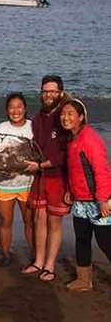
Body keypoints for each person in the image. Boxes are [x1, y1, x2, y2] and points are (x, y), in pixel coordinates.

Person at [22, 75, 70, 282]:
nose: (48, 95)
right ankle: (38, 261)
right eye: (45, 91)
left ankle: (50, 266)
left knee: (54, 223)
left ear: (60, 92)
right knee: (38, 219)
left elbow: (65, 153)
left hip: (58, 176)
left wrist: (41, 165)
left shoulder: (65, 115)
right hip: (40, 176)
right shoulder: (38, 117)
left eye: (52, 91)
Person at [60, 99, 111, 291]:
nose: (65, 117)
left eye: (71, 114)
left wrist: (103, 200)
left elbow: (101, 171)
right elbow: (75, 171)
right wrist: (69, 191)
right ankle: (84, 280)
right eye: (63, 113)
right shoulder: (72, 139)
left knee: (106, 243)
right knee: (81, 240)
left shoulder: (90, 140)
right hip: (80, 201)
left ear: (81, 117)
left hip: (99, 201)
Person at [0, 92, 36, 266]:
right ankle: (5, 254)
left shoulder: (34, 128)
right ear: (7, 110)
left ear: (25, 109)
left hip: (28, 184)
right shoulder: (0, 129)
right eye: (11, 107)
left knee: (30, 222)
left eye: (19, 106)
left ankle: (35, 255)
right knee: (5, 221)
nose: (15, 110)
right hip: (4, 184)